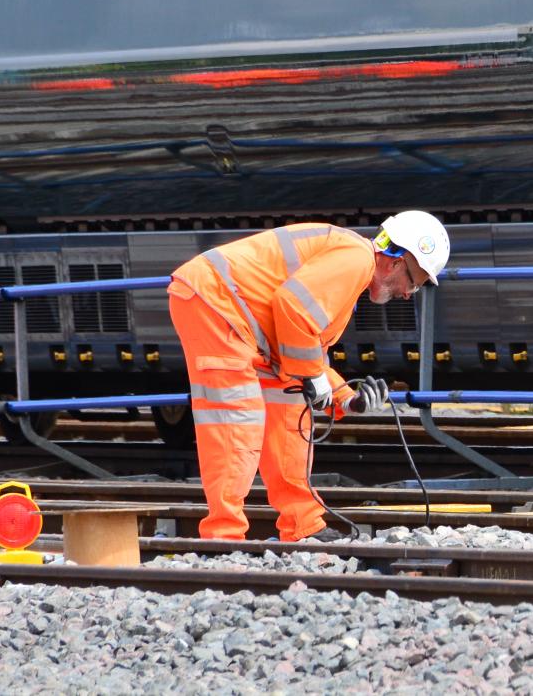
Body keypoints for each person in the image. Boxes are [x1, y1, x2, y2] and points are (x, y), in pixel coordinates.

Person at [166, 211, 450, 541]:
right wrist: (311, 375)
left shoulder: (350, 267)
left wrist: (347, 399)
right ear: (396, 261)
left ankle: (303, 525)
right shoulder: (357, 259)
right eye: (414, 283)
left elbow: (305, 346)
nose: (407, 294)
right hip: (217, 304)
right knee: (237, 422)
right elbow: (294, 308)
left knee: (290, 418)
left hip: (244, 319)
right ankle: (223, 537)